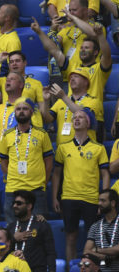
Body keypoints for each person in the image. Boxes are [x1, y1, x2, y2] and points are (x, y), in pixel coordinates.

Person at [52, 108, 109, 263]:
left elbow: (105, 175)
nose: (76, 119)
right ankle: (71, 269)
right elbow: (56, 174)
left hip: (91, 198)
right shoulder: (63, 147)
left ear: (88, 123)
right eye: (74, 117)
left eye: (81, 117)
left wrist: (103, 199)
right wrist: (55, 197)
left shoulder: (98, 148)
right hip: (69, 197)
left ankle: (91, 267)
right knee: (70, 237)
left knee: (93, 238)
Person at [0, 99, 54, 223]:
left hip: (36, 188)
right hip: (13, 189)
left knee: (38, 227)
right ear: (15, 113)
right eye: (18, 109)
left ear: (31, 112)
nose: (21, 111)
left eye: (25, 109)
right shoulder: (7, 135)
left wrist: (43, 182)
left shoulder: (42, 134)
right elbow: (3, 161)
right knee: (12, 227)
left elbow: (49, 161)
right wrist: (12, 176)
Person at [10, 190, 57, 272]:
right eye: (14, 203)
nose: (14, 206)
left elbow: (51, 253)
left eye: (18, 203)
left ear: (29, 206)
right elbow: (3, 252)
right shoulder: (11, 227)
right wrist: (13, 239)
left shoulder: (41, 225)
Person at [84, 189, 119, 269]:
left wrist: (97, 250)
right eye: (99, 200)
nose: (99, 203)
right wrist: (106, 257)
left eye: (103, 201)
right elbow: (86, 251)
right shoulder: (95, 226)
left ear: (113, 203)